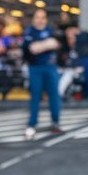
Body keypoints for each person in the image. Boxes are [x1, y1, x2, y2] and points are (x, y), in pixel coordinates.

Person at [22, 8, 63, 139]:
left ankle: (55, 122)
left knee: (54, 96)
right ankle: (32, 123)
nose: (40, 20)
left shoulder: (51, 30)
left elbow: (56, 44)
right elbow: (32, 49)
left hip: (50, 67)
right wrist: (47, 44)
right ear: (33, 19)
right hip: (35, 68)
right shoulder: (29, 32)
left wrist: (41, 45)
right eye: (37, 17)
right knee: (35, 96)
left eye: (42, 17)